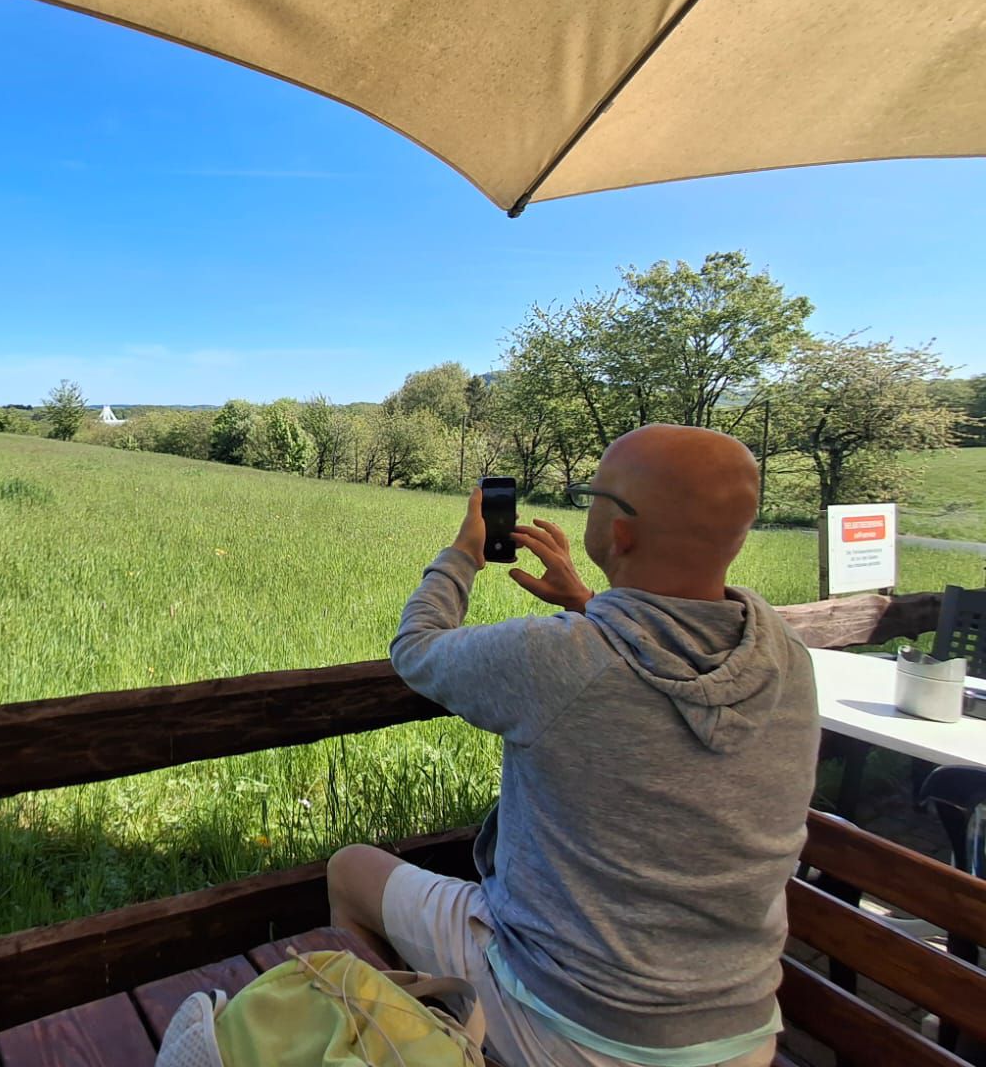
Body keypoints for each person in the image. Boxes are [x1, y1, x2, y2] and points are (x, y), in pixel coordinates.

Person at [327, 425, 818, 1067]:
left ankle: (408, 1045)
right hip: (741, 1031)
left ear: (620, 533)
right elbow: (654, 674)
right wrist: (592, 604)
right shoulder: (786, 655)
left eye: (594, 497)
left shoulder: (559, 656)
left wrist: (464, 554)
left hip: (576, 1031)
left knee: (352, 870)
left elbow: (416, 648)